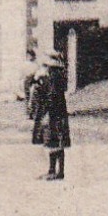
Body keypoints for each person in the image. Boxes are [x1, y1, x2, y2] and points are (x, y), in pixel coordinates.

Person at [30, 50, 71, 181]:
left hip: (53, 113)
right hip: (58, 112)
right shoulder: (57, 75)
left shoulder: (53, 76)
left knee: (53, 141)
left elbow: (51, 95)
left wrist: (46, 111)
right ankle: (56, 171)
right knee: (56, 142)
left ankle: (55, 171)